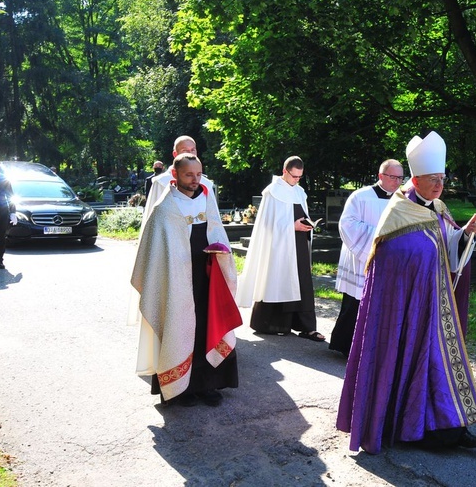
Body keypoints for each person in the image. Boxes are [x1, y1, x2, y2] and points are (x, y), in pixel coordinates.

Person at [336, 131, 476, 454]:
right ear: (415, 179)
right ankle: (412, 427)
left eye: (443, 179)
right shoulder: (397, 214)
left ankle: (450, 431)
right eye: (433, 179)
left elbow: (448, 247)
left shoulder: (439, 206)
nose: (439, 185)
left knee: (438, 365)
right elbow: (392, 261)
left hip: (435, 306)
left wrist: (465, 235)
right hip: (405, 313)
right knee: (410, 360)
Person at [130, 153, 241, 407]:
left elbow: (217, 233)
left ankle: (207, 384)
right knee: (181, 329)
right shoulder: (164, 210)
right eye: (189, 175)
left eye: (199, 174)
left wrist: (221, 253)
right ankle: (182, 388)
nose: (195, 180)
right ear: (175, 175)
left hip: (207, 277)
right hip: (176, 283)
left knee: (205, 326)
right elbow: (153, 256)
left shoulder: (206, 200)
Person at [236, 156, 325, 342]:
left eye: (300, 177)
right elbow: (266, 224)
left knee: (302, 282)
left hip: (299, 243)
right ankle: (272, 324)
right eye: (294, 176)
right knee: (278, 280)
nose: (297, 180)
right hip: (278, 246)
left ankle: (306, 327)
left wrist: (307, 225)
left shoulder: (300, 192)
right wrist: (290, 226)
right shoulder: (272, 192)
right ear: (285, 172)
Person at [328, 159, 404, 357]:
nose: (397, 182)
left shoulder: (403, 201)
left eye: (400, 178)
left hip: (388, 260)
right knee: (355, 303)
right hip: (360, 258)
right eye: (393, 177)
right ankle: (346, 347)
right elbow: (347, 224)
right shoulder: (360, 196)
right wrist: (379, 238)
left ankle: (374, 350)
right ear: (381, 176)